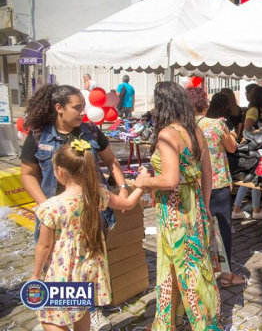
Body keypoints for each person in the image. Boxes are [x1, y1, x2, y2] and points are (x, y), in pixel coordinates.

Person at [20, 84, 126, 331]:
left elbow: (111, 162)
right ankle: (59, 315)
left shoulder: (91, 131)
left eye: (84, 107)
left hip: (89, 216)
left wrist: (122, 186)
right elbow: (28, 174)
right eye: (77, 107)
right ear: (59, 108)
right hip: (55, 217)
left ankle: (86, 312)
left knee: (86, 266)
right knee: (55, 266)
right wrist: (47, 205)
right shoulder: (38, 135)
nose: (82, 112)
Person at [31, 140, 148, 331]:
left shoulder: (51, 207)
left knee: (50, 319)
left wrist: (36, 275)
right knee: (81, 312)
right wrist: (141, 185)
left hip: (64, 270)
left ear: (60, 172)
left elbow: (44, 246)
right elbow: (127, 204)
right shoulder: (98, 194)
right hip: (90, 266)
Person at [134, 81, 220, 329]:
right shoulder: (194, 131)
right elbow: (207, 175)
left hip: (174, 212)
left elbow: (170, 180)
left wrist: (145, 180)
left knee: (184, 271)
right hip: (194, 208)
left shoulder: (167, 134)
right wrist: (202, 208)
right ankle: (168, 322)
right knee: (184, 268)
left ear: (161, 104)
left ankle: (202, 324)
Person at [188, 89, 245, 288]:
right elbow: (232, 148)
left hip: (193, 183)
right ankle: (226, 275)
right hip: (216, 182)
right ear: (204, 104)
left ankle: (202, 271)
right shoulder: (216, 124)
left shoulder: (183, 127)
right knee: (222, 229)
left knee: (198, 228)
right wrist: (231, 134)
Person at [233, 86, 262, 220]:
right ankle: (240, 209)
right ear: (260, 97)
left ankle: (254, 209)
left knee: (254, 180)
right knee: (251, 180)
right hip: (253, 151)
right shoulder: (254, 111)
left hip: (258, 151)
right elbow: (246, 130)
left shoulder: (260, 111)